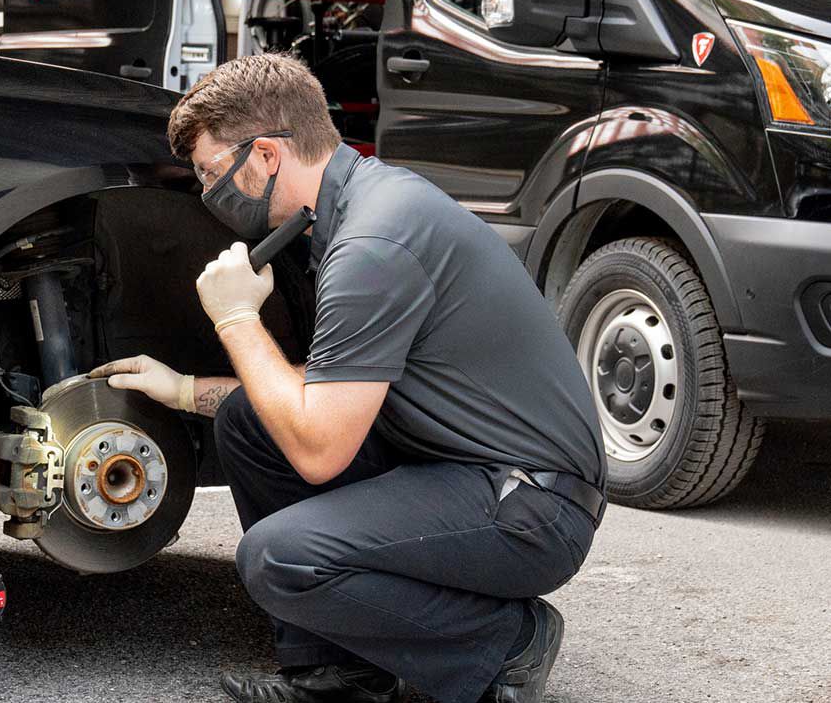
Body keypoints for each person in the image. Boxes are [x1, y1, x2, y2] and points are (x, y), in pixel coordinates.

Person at [90, 54, 605, 703]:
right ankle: (341, 672)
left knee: (279, 558)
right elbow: (330, 382)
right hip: (474, 472)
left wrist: (236, 317)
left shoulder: (373, 241)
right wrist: (184, 389)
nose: (206, 196)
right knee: (246, 422)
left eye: (211, 174)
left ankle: (505, 640)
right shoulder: (362, 209)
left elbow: (318, 446)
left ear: (267, 156)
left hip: (532, 507)